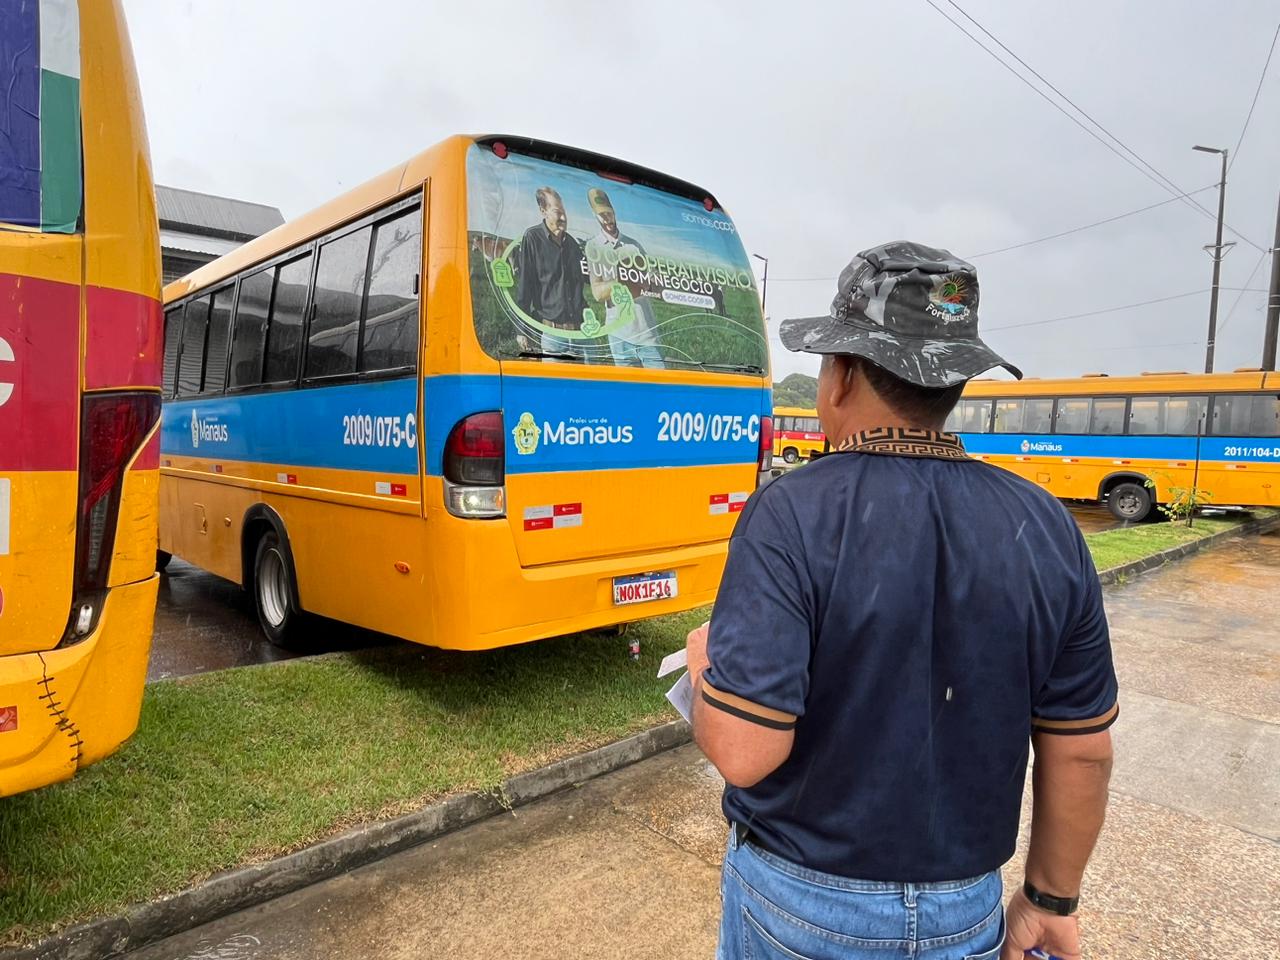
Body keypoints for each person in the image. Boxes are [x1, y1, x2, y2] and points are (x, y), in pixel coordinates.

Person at [685, 241, 1117, 960]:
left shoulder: (792, 512)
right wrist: (1049, 899)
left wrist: (706, 672)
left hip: (799, 910)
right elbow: (1083, 752)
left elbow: (745, 749)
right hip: (967, 909)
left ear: (842, 375)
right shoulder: (1046, 527)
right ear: (951, 384)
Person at [582, 188, 663, 368]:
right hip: (619, 337)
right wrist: (624, 280)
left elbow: (655, 284)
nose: (606, 219)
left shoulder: (634, 246)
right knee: (629, 395)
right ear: (595, 216)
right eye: (601, 215)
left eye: (609, 213)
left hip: (647, 334)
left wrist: (651, 282)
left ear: (614, 212)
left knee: (660, 391)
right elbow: (597, 292)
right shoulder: (593, 247)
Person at [512, 186, 588, 358]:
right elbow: (525, 286)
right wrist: (521, 330)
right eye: (557, 212)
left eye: (564, 212)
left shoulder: (572, 244)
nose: (563, 217)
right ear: (543, 211)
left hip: (581, 334)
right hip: (552, 335)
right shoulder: (532, 238)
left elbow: (583, 282)